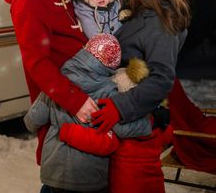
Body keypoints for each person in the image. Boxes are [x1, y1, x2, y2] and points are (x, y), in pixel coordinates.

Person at [90, 0, 191, 193]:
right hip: (128, 131)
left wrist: (119, 107)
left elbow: (161, 78)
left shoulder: (159, 24)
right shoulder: (142, 17)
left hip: (136, 132)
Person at [3, 0, 98, 169]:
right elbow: (36, 62)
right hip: (61, 100)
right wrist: (74, 100)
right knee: (62, 167)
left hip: (83, 85)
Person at [23, 33, 152, 193]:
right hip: (89, 176)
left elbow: (32, 120)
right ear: (112, 67)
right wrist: (148, 123)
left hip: (55, 172)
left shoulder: (59, 82)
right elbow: (122, 128)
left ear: (86, 49)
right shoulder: (108, 93)